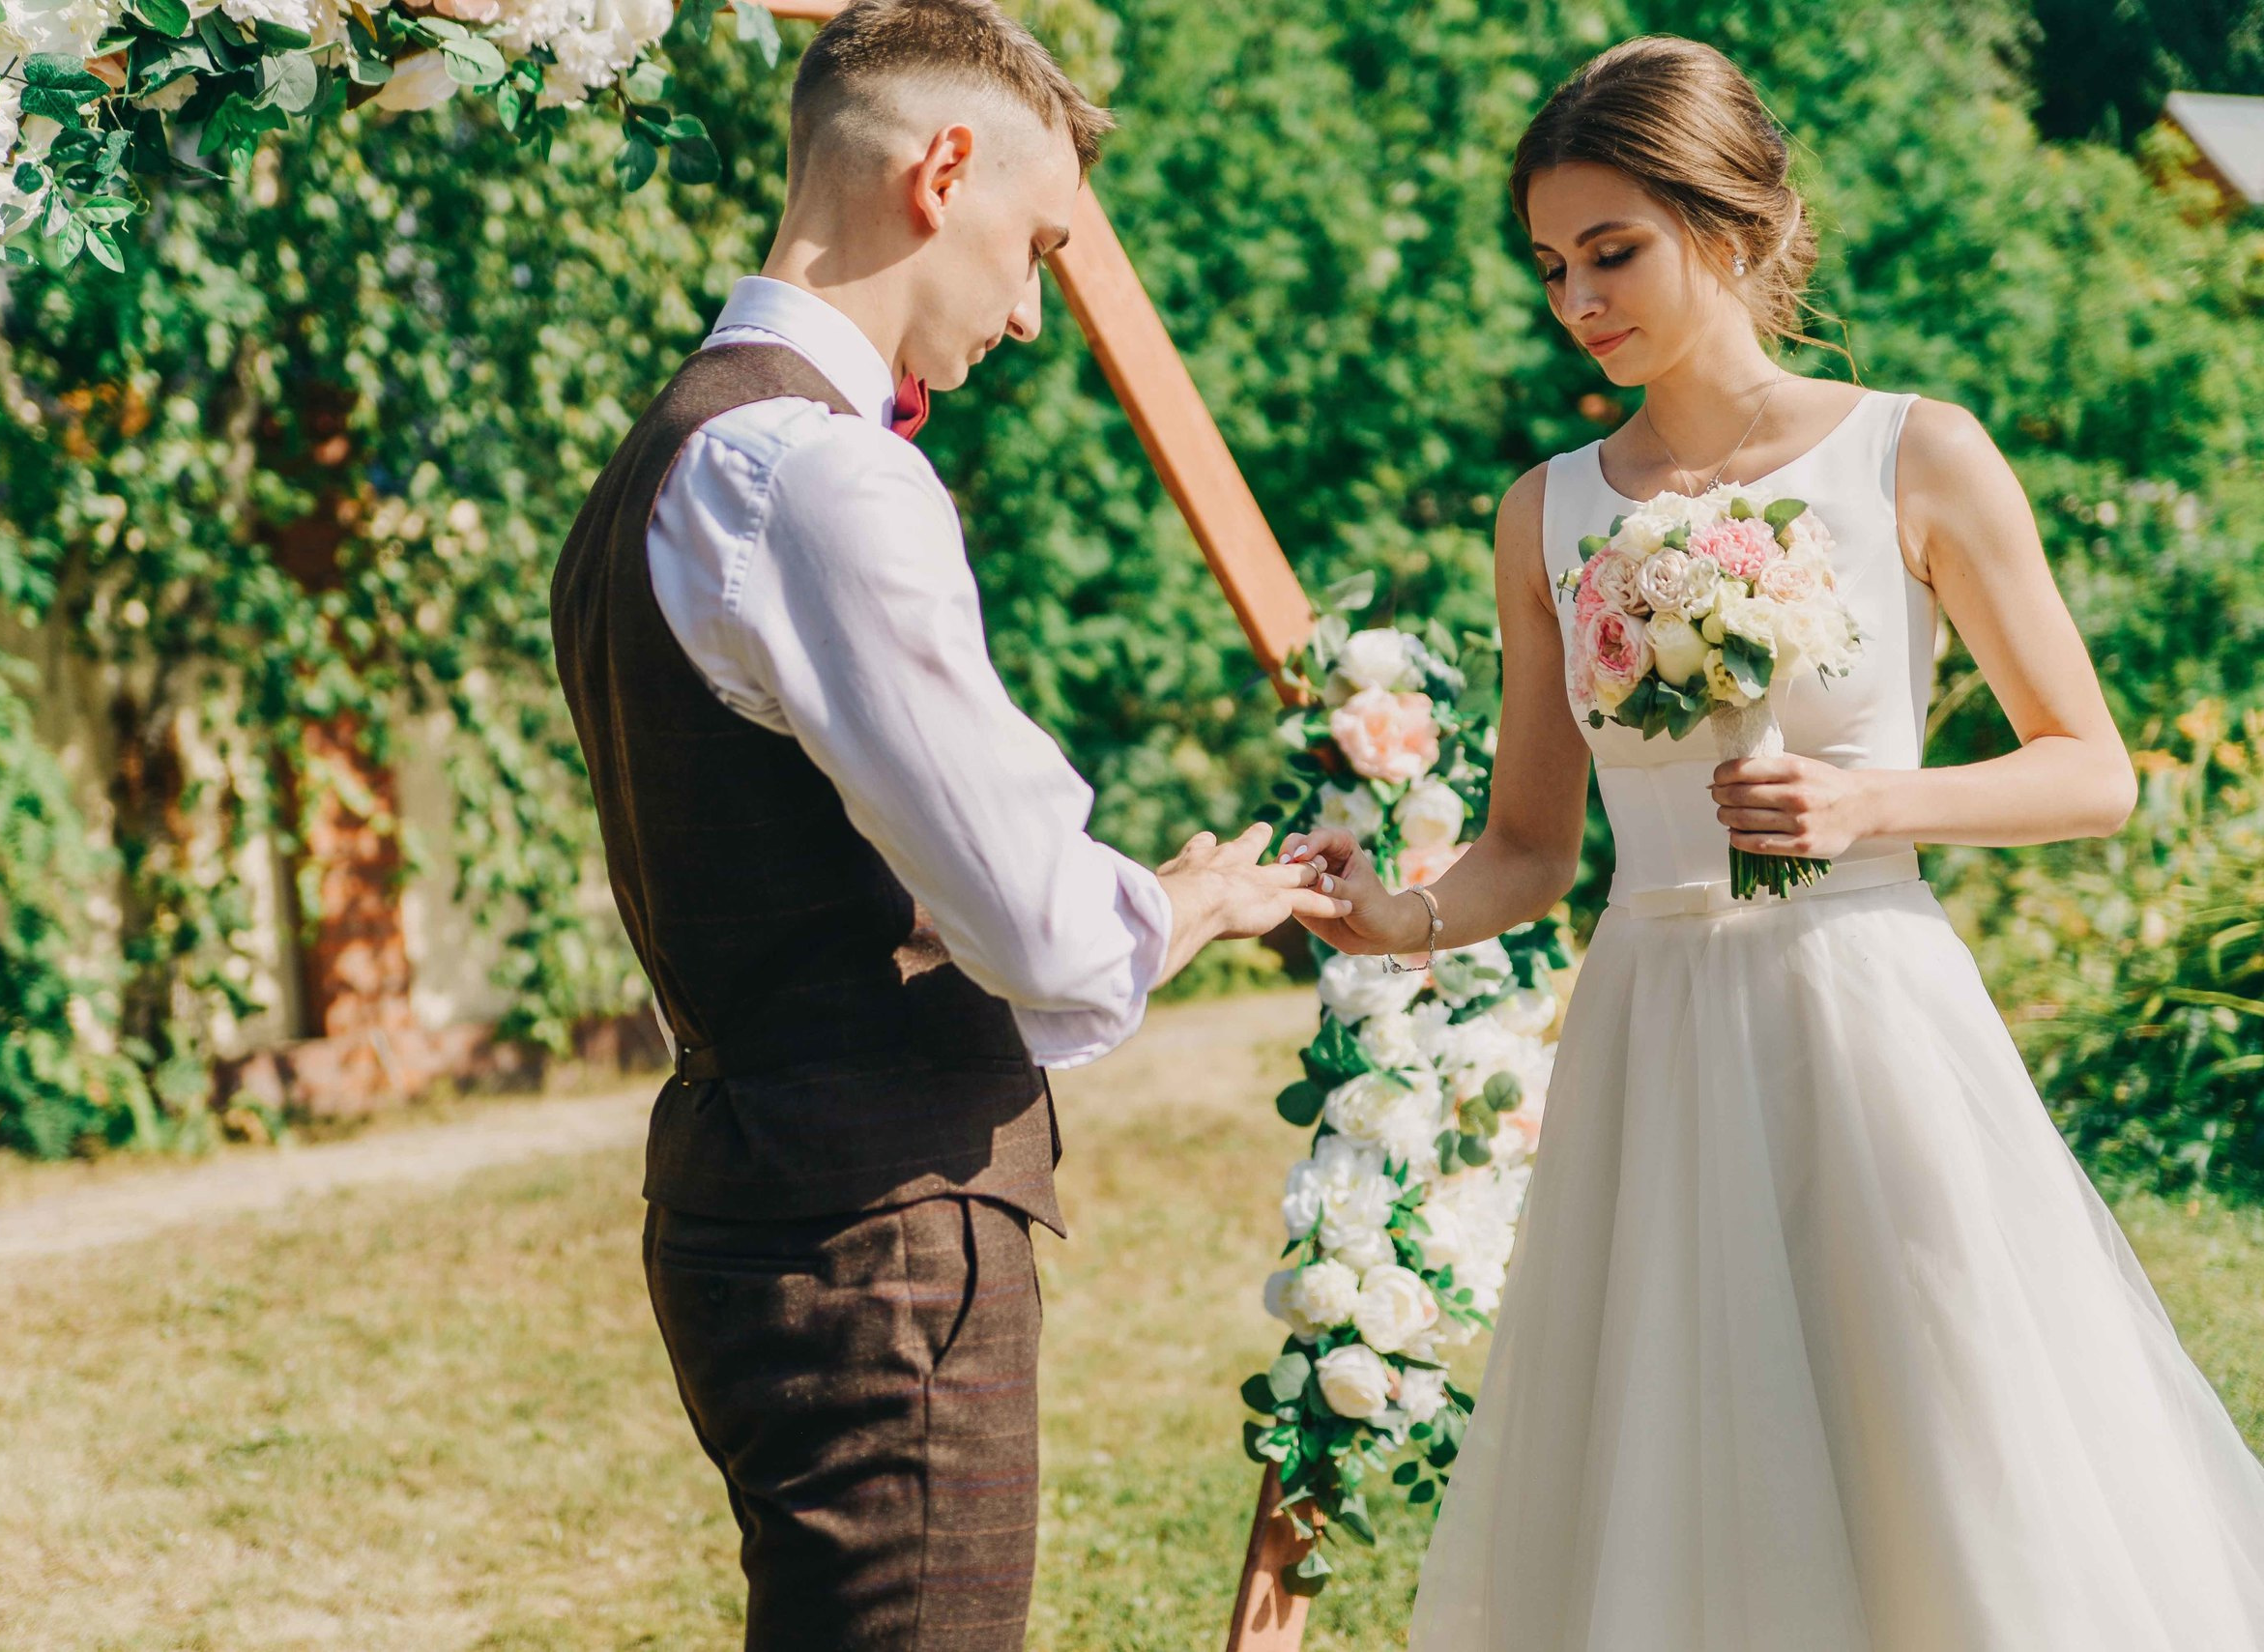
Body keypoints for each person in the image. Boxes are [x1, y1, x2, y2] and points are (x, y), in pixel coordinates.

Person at [1288, 35, 2264, 1650]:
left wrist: (1873, 801)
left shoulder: (1915, 450)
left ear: (1729, 231)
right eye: (1552, 264)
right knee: (1677, 1461)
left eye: (1615, 251)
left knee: (1938, 1437)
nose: (1579, 300)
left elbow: (2094, 771)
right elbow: (1534, 847)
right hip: (1649, 1026)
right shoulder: (1546, 511)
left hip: (1864, 1007)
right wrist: (1403, 916)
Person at [549, 2, 1343, 1646]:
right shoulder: (818, 479)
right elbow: (1039, 922)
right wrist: (1189, 901)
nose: (1037, 310)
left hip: (745, 1199)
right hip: (878, 1239)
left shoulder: (661, 458)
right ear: (944, 167)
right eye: (1036, 245)